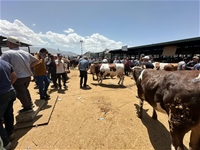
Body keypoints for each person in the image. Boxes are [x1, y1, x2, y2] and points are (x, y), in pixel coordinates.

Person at [1, 36, 39, 114]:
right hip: (27, 76)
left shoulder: (7, 54)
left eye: (7, 42)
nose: (7, 44)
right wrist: (29, 66)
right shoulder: (25, 53)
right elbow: (36, 60)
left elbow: (3, 65)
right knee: (24, 90)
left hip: (18, 77)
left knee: (20, 93)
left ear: (10, 43)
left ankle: (27, 107)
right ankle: (29, 104)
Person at [0, 59, 17, 149]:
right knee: (8, 113)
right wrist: (8, 86)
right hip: (10, 91)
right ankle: (10, 133)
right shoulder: (6, 63)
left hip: (1, 94)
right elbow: (14, 77)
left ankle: (5, 142)